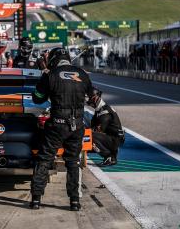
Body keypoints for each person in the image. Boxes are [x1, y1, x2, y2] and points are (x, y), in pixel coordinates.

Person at [30, 47, 94, 211]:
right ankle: (74, 202)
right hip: (77, 124)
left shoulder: (50, 75)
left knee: (44, 159)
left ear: (52, 60)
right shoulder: (82, 74)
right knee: (73, 162)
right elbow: (92, 97)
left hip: (57, 124)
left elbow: (37, 99)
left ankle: (36, 199)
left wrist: (44, 76)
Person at [87, 88, 125, 166]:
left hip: (114, 140)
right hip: (112, 138)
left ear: (95, 98)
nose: (89, 102)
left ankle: (109, 157)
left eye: (90, 99)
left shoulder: (105, 112)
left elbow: (99, 130)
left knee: (89, 136)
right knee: (88, 135)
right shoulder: (99, 110)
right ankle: (112, 156)